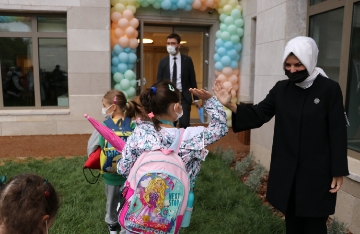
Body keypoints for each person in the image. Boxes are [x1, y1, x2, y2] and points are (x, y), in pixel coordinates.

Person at [213, 36, 349, 234]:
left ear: (310, 60)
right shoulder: (281, 89)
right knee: (292, 223)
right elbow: (258, 114)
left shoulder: (329, 89)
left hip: (317, 174)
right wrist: (230, 104)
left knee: (314, 225)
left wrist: (338, 169)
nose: (292, 70)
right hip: (288, 173)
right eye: (288, 65)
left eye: (298, 65)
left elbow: (337, 130)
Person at [117, 80, 228, 234]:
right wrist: (210, 100)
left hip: (137, 212)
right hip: (170, 216)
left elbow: (123, 169)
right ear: (176, 107)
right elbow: (220, 127)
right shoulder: (190, 137)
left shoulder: (140, 132)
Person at [87, 90, 146, 234]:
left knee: (111, 201)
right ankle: (126, 224)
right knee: (129, 199)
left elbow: (91, 146)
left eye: (104, 105)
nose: (103, 109)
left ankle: (112, 225)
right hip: (130, 175)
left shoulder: (104, 125)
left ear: (112, 107)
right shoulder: (132, 125)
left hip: (110, 174)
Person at [156, 33, 201, 128]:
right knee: (169, 124)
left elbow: (192, 79)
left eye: (173, 43)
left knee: (184, 124)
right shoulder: (163, 62)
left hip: (183, 96)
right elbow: (159, 81)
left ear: (179, 45)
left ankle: (183, 142)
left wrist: (196, 98)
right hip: (168, 97)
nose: (170, 46)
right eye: (168, 43)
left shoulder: (187, 60)